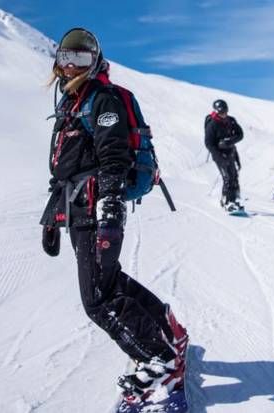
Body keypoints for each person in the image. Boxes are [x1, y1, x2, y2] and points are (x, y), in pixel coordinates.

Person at [39, 28, 188, 407]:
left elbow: (112, 158)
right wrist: (52, 219)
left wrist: (109, 208)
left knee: (97, 299)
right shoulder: (75, 101)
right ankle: (167, 328)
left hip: (96, 211)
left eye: (81, 59)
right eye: (66, 58)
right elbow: (67, 170)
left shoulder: (102, 100)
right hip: (78, 209)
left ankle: (162, 360)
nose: (71, 66)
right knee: (110, 280)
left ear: (95, 62)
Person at [204, 99, 244, 212]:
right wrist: (219, 157)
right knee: (227, 177)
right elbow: (208, 143)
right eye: (221, 112)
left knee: (234, 177)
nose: (224, 114)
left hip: (230, 153)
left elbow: (240, 135)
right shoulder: (212, 124)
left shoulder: (231, 121)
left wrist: (230, 141)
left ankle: (235, 200)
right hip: (219, 155)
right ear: (216, 111)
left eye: (225, 111)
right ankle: (227, 202)